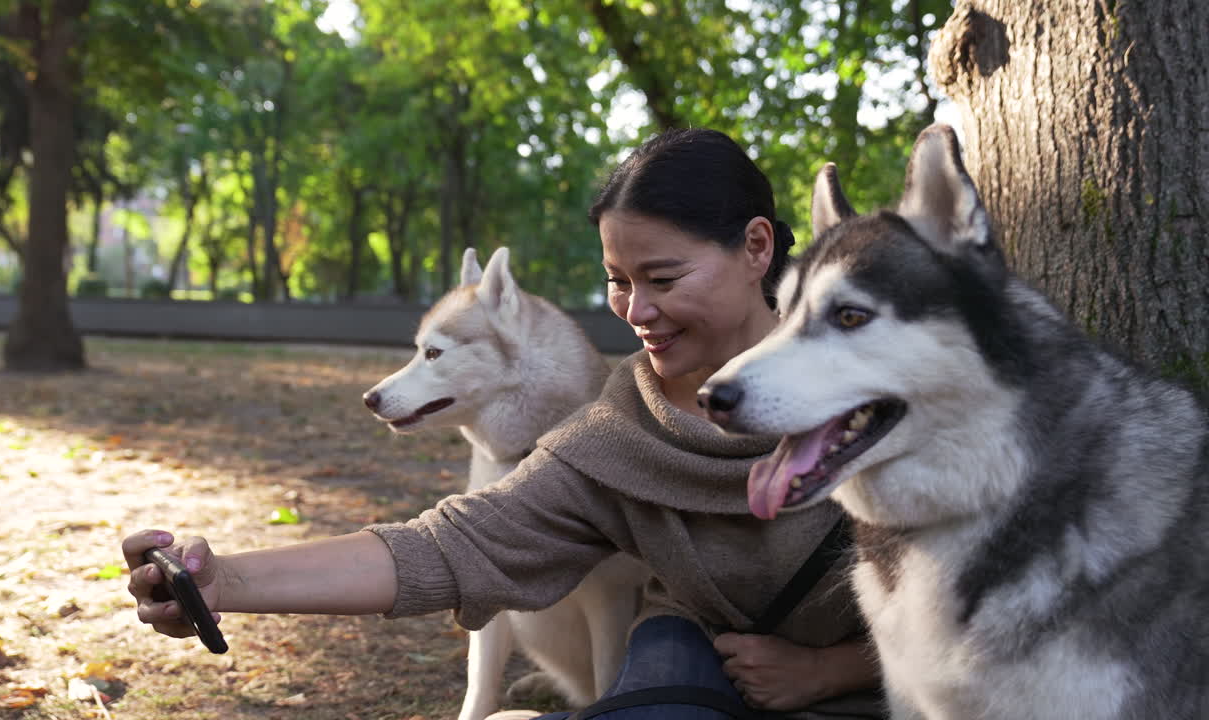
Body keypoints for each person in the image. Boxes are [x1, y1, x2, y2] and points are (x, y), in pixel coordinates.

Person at [122, 128, 884, 719]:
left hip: (889, 668)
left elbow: (976, 574)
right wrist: (229, 582)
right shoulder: (625, 424)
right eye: (617, 281)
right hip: (693, 654)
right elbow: (456, 544)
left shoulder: (875, 383)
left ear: (757, 247)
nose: (636, 311)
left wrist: (831, 669)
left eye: (663, 278)